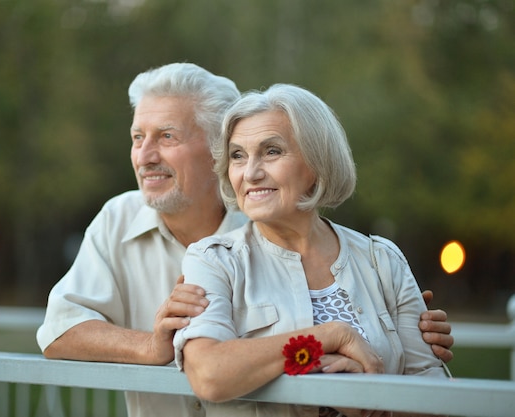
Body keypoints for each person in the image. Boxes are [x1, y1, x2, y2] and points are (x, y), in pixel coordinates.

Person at [36, 64, 453, 417]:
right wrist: (151, 345)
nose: (144, 156)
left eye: (166, 136)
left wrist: (392, 353)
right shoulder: (199, 250)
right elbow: (60, 331)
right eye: (136, 137)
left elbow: (430, 390)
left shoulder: (372, 256)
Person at [174, 84, 448, 417]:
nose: (251, 173)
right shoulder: (214, 260)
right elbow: (209, 375)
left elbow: (434, 395)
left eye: (272, 151)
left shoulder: (382, 260)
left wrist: (369, 405)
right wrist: (326, 338)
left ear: (317, 163)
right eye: (237, 155)